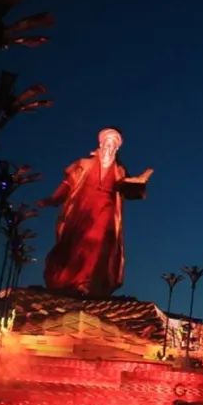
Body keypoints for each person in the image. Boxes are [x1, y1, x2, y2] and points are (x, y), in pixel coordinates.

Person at [39, 127, 152, 297]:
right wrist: (53, 199)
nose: (109, 146)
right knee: (75, 244)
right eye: (107, 142)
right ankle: (67, 281)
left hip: (105, 212)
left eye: (113, 144)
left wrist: (139, 181)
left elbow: (127, 189)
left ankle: (87, 283)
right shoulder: (84, 164)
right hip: (82, 209)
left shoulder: (119, 170)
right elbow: (68, 183)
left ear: (117, 148)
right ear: (100, 143)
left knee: (99, 246)